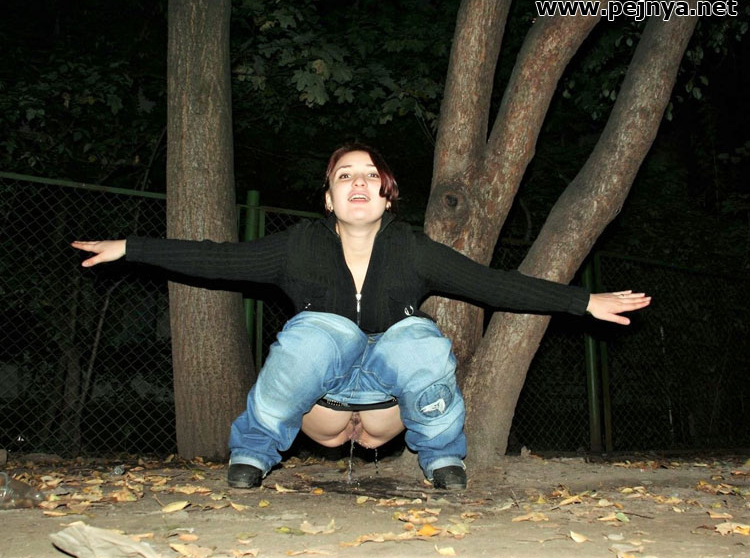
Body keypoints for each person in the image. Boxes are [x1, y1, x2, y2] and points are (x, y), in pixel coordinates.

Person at [72, 143, 651, 490]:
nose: (358, 182)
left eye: (371, 175)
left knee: (419, 335)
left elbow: (492, 284)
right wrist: (131, 247)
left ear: (386, 196)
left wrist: (584, 301)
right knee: (318, 329)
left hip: (387, 409)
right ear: (329, 198)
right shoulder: (297, 246)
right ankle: (253, 451)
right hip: (320, 408)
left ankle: (442, 457)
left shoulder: (413, 249)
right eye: (344, 174)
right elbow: (215, 258)